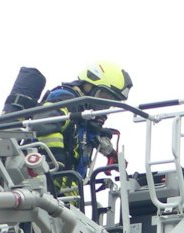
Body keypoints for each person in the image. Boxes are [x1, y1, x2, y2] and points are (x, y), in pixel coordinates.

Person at [35, 61, 134, 196]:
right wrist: (56, 167)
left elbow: (89, 136)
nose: (104, 106)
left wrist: (111, 153)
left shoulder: (84, 115)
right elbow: (44, 124)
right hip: (46, 187)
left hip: (67, 195)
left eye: (110, 101)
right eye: (104, 96)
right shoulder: (66, 99)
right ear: (88, 86)